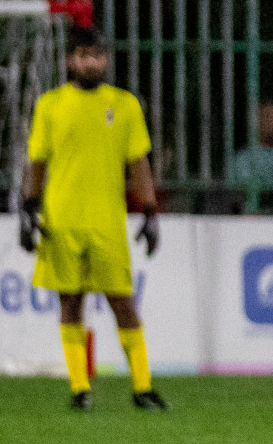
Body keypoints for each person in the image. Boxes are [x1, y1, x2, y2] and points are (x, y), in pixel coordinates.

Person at [18, 25, 168, 412]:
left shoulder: (124, 104)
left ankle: (143, 387)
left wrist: (150, 213)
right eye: (84, 55)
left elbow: (139, 163)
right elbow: (37, 161)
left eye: (97, 55)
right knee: (70, 303)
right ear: (71, 60)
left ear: (105, 59)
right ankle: (80, 388)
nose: (91, 62)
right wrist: (28, 208)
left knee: (123, 302)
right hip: (62, 220)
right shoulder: (50, 105)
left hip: (107, 222)